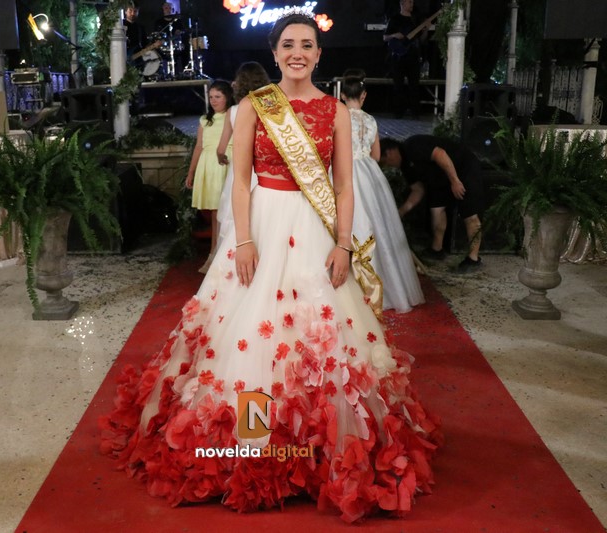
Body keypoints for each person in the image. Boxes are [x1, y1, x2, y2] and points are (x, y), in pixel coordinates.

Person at [99, 12, 440, 523]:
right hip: (260, 225)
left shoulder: (335, 112)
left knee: (318, 334)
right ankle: (253, 446)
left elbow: (344, 187)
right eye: (288, 44)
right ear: (275, 52)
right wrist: (242, 240)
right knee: (251, 336)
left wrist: (344, 245)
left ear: (319, 54)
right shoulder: (253, 106)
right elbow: (239, 182)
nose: (298, 52)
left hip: (315, 230)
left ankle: (316, 450)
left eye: (307, 44)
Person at [339, 73, 424, 312]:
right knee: (377, 227)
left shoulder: (339, 117)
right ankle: (381, 286)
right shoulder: (371, 120)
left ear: (342, 95)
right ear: (364, 95)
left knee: (347, 223)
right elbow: (376, 156)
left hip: (345, 171)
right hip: (369, 174)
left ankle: (352, 287)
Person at [381, 135, 485, 273]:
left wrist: (455, 181)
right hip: (440, 179)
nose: (388, 166)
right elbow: (418, 190)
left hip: (462, 168)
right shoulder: (406, 167)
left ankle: (473, 258)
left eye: (385, 162)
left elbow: (440, 154)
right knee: (436, 211)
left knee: (470, 214)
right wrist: (401, 211)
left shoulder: (412, 146)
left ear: (389, 152)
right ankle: (437, 249)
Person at [213, 61, 271, 259]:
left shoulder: (234, 111)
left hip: (240, 171)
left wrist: (222, 158)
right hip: (263, 171)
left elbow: (221, 148)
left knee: (235, 216)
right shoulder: (270, 108)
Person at [186, 80, 234, 273]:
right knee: (215, 211)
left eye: (218, 97)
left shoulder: (232, 116)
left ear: (227, 97)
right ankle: (214, 253)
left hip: (225, 163)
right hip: (209, 165)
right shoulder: (205, 120)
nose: (213, 101)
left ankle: (221, 253)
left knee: (225, 210)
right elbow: (199, 146)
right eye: (211, 97)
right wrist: (191, 171)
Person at [383, 0, 422, 118]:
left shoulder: (415, 19)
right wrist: (395, 35)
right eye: (409, 2)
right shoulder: (394, 19)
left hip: (413, 56)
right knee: (398, 85)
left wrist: (425, 30)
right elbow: (385, 37)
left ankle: (415, 112)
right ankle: (399, 112)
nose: (412, 4)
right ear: (402, 3)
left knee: (414, 84)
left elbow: (421, 39)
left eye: (412, 2)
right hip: (398, 56)